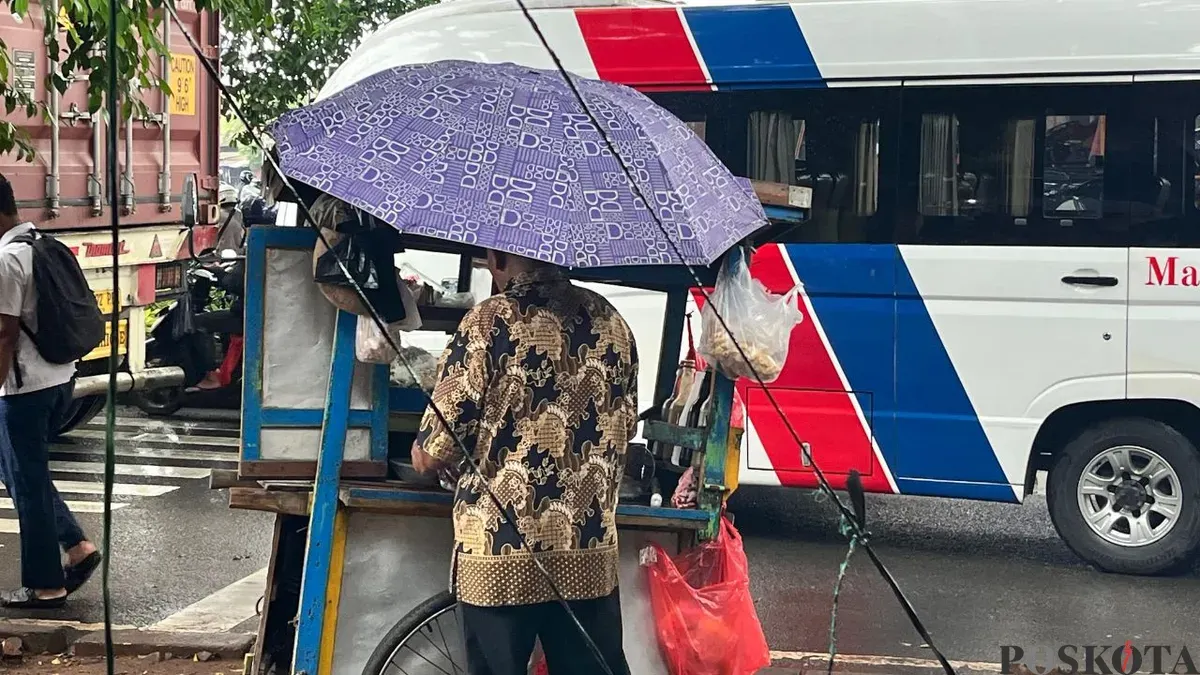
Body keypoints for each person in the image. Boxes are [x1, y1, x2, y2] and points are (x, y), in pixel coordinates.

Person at [412, 250, 638, 675]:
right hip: (586, 551)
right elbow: (626, 423)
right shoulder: (613, 324)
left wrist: (427, 454)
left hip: (500, 553)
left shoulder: (488, 321)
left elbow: (433, 450)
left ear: (498, 255)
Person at [0, 175, 101, 609]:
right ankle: (77, 547)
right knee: (20, 473)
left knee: (28, 483)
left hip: (24, 390)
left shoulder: (7, 260)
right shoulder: (45, 244)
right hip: (60, 379)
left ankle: (45, 586)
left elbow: (3, 335)